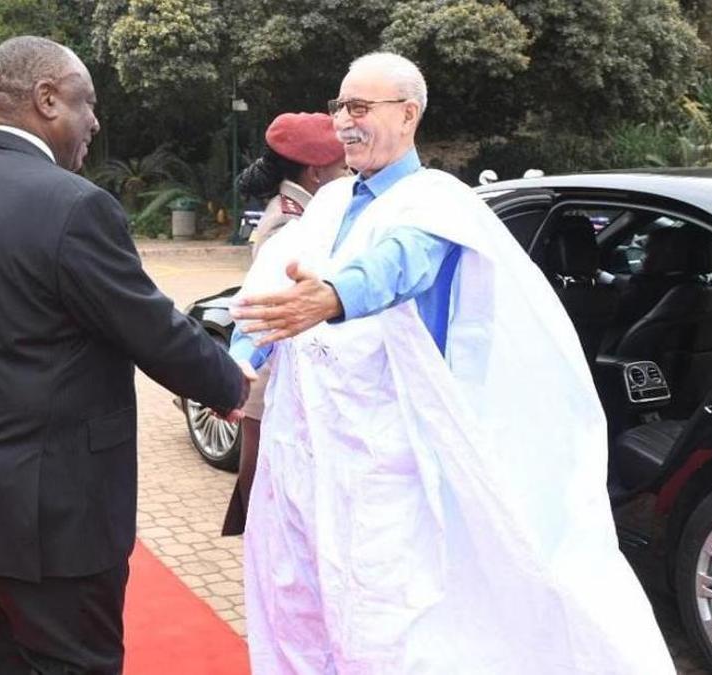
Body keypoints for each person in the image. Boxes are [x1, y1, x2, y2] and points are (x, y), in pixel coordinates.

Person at [229, 52, 674, 673]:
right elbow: (267, 293)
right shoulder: (328, 205)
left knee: (388, 624)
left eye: (360, 108)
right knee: (304, 600)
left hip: (391, 466)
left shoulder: (437, 202)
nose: (345, 124)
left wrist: (334, 296)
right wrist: (240, 360)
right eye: (340, 107)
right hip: (311, 455)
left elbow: (398, 264)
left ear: (408, 114)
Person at [0, 35, 250, 674]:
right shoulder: (73, 204)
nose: (95, 121)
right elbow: (153, 329)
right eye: (87, 103)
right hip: (50, 511)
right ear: (47, 99)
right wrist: (238, 388)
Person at [221, 112, 349, 536]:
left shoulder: (297, 208)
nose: (347, 172)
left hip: (280, 356)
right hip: (273, 363)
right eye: (341, 166)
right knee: (262, 476)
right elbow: (271, 302)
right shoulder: (289, 221)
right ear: (316, 172)